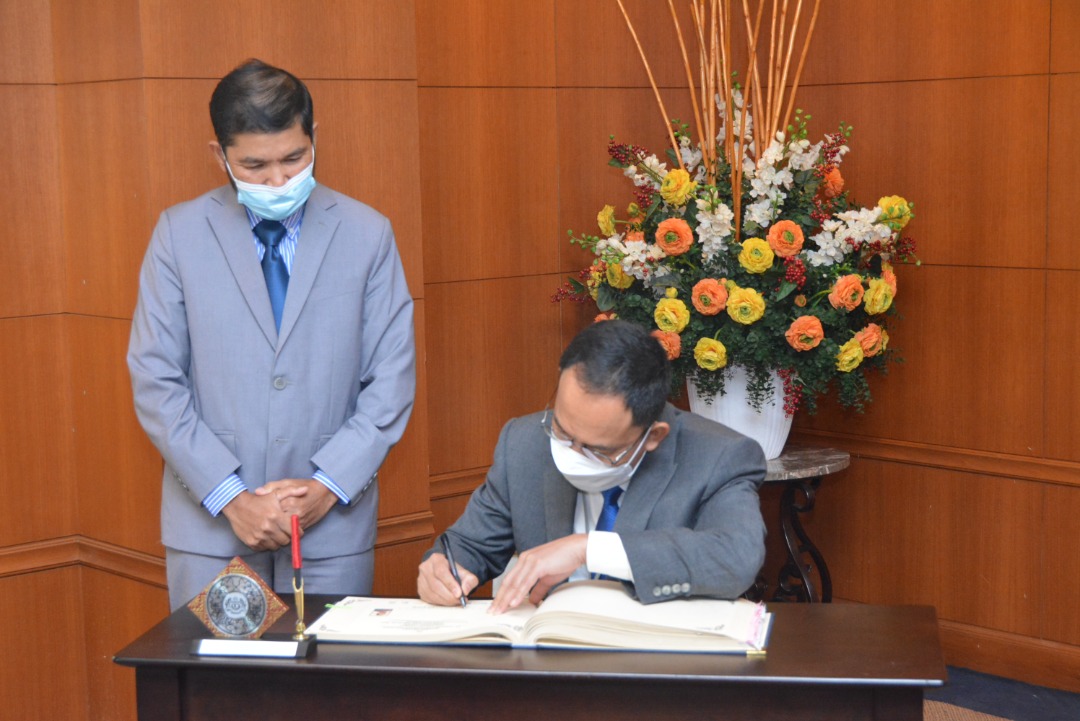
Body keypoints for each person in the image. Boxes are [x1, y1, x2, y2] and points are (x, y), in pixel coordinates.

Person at [128, 59, 415, 610]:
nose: (278, 181)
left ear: (314, 139)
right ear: (220, 156)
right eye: (255, 166)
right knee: (218, 672)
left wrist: (327, 487)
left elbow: (391, 379)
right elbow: (155, 379)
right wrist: (231, 497)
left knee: (328, 669)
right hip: (212, 533)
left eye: (293, 159)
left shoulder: (369, 234)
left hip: (333, 531)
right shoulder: (178, 235)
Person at [418, 319, 766, 613]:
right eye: (562, 431)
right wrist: (443, 571)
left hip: (656, 661)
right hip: (549, 655)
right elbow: (469, 546)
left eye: (597, 449)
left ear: (653, 436)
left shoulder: (718, 456)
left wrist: (586, 549)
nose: (572, 453)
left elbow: (735, 557)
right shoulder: (524, 443)